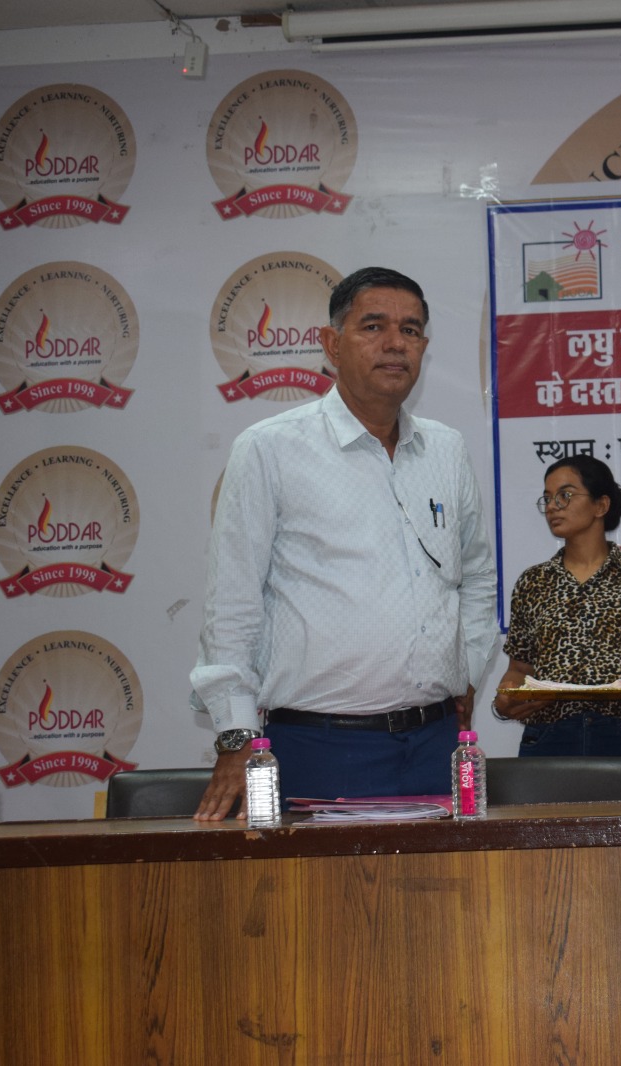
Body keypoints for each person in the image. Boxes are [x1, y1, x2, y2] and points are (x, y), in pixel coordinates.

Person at [190, 267, 497, 817]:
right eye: (373, 326)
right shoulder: (269, 449)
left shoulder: (446, 450)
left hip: (436, 745)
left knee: (449, 878)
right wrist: (236, 736)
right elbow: (232, 604)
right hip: (318, 746)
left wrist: (466, 670)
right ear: (331, 344)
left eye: (410, 329)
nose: (395, 343)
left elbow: (476, 574)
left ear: (424, 346)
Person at [491, 455, 621, 755]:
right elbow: (519, 669)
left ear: (601, 505)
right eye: (548, 498)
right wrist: (506, 697)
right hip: (548, 737)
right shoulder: (533, 582)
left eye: (565, 495)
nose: (552, 506)